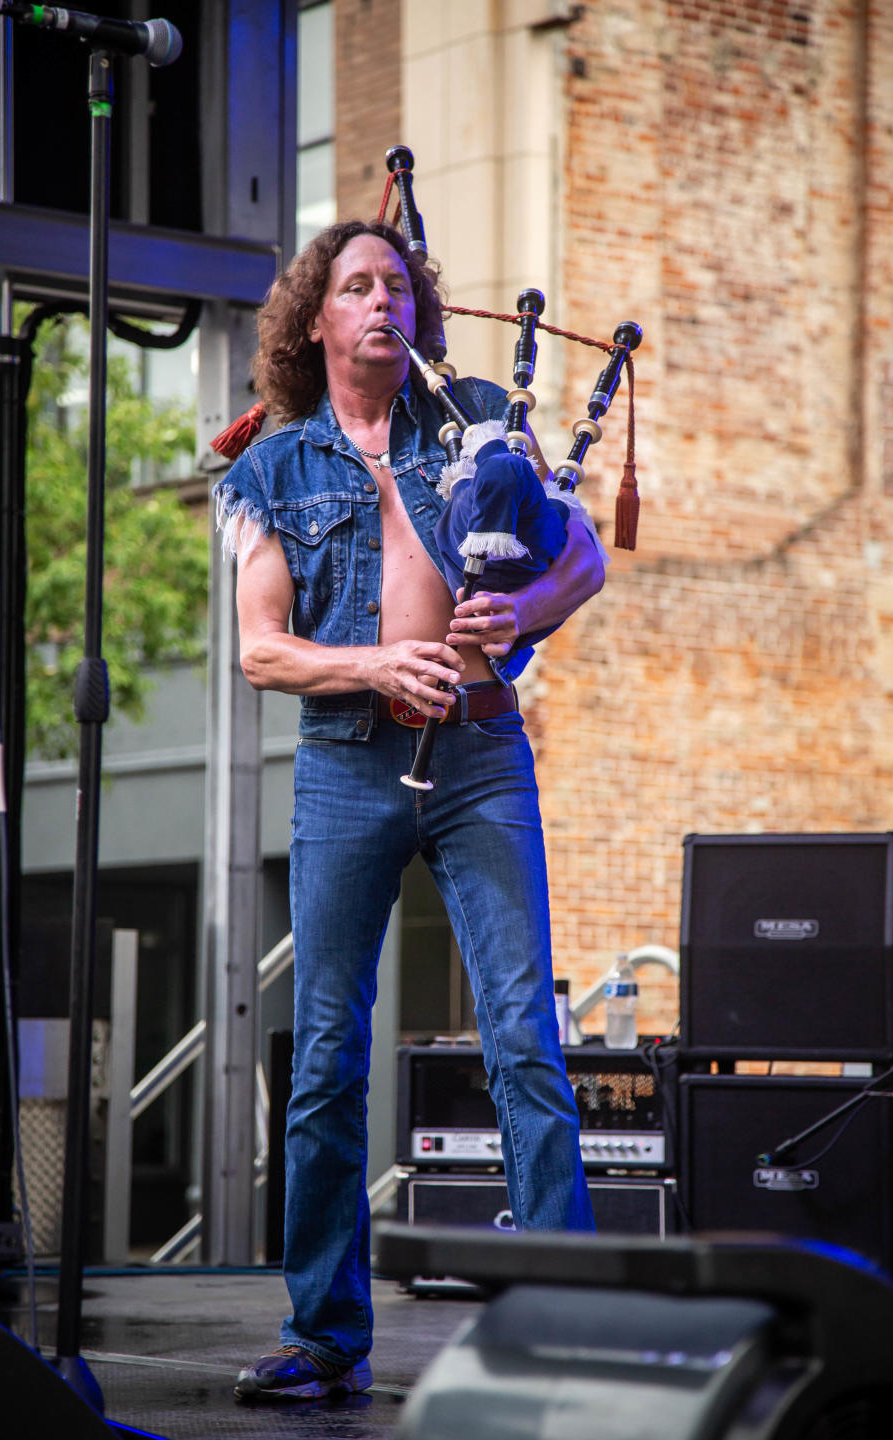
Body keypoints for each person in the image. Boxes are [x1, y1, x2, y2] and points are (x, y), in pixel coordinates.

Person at [213, 219, 604, 1403]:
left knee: (524, 1039)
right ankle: (325, 1336)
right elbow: (261, 651)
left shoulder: (480, 415)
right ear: (315, 320)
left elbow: (581, 556)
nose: (382, 300)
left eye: (397, 284)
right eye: (355, 286)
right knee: (329, 1054)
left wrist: (522, 610)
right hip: (346, 764)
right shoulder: (271, 469)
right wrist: (377, 667)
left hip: (482, 752)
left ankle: (563, 1326)